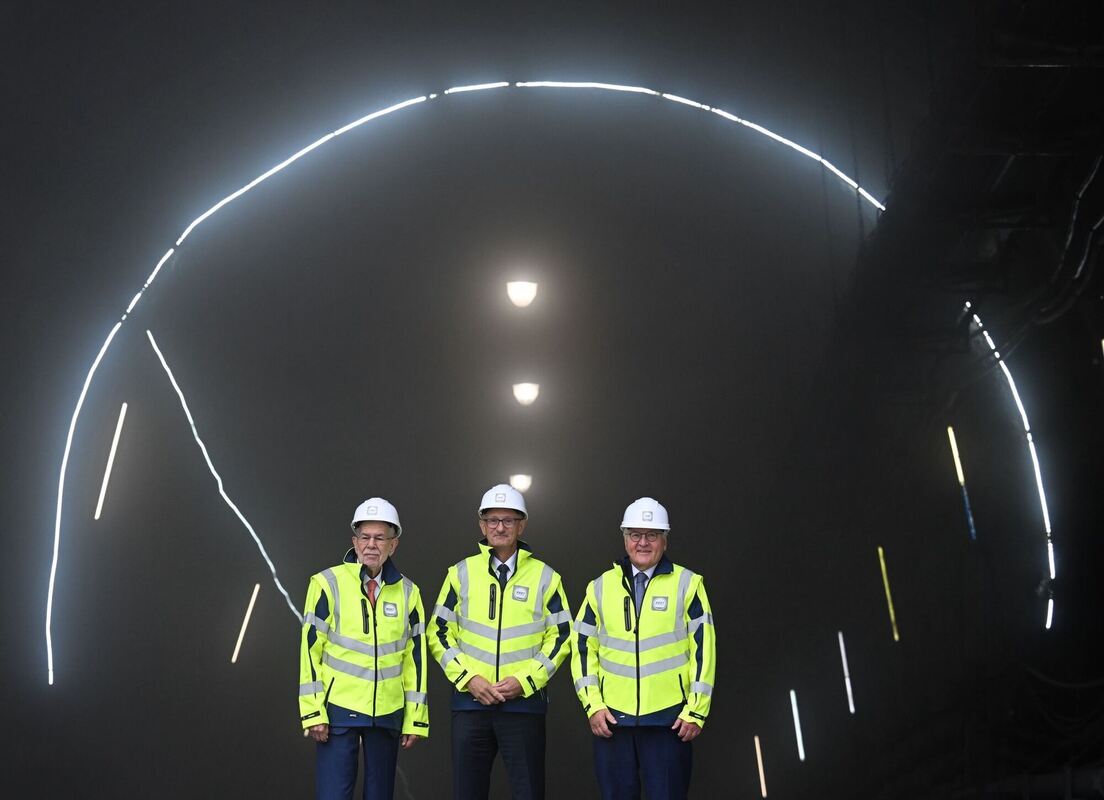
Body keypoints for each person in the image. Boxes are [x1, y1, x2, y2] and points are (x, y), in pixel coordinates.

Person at [428, 483, 572, 800]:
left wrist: (525, 681)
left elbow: (562, 636)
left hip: (523, 706)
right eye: (492, 520)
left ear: (522, 525)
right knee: (467, 793)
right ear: (482, 525)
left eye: (508, 520)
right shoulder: (460, 573)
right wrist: (469, 679)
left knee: (528, 793)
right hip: (470, 703)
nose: (500, 527)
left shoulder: (546, 577)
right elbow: (438, 632)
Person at [570, 497, 716, 800]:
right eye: (635, 534)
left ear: (665, 539)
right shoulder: (599, 587)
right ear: (625, 538)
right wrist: (593, 705)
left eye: (652, 535)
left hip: (669, 721)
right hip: (612, 720)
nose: (643, 542)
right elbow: (582, 649)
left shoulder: (688, 584)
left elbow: (705, 650)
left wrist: (696, 711)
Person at [299, 497, 429, 800]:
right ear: (354, 542)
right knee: (333, 795)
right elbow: (310, 650)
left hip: (387, 713)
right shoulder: (327, 583)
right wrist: (313, 711)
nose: (371, 545)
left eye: (380, 538)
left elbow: (415, 660)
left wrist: (415, 717)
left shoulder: (409, 592)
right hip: (338, 712)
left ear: (393, 544)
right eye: (365, 537)